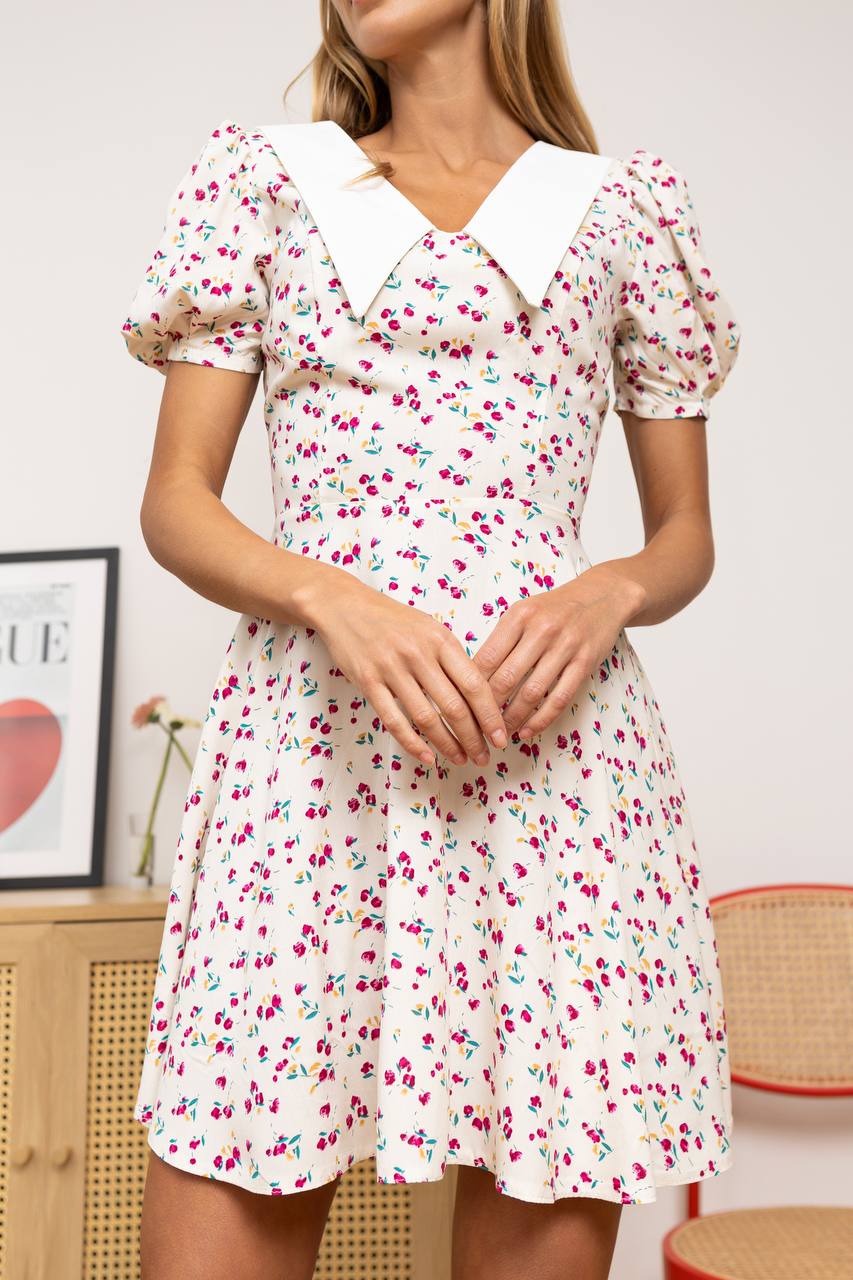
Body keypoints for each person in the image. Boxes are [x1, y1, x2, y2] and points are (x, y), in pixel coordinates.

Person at [121, 1, 742, 1276]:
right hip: (311, 760)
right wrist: (330, 596)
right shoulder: (266, 183)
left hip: (554, 769)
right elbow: (176, 498)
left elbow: (683, 532)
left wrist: (611, 586)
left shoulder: (624, 209)